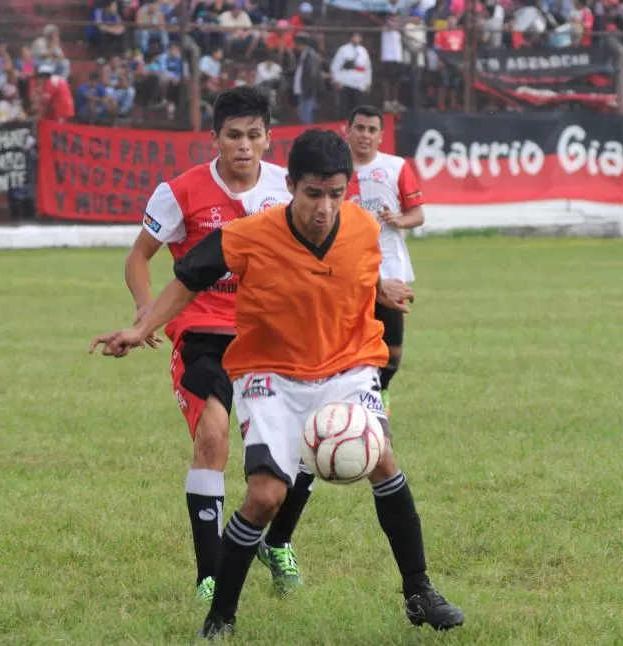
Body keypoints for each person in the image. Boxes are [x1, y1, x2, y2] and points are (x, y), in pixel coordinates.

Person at [90, 129, 465, 639]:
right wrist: (141, 327)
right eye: (313, 193)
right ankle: (221, 615)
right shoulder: (249, 235)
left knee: (383, 459)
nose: (324, 207)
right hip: (270, 376)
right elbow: (187, 280)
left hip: (348, 368)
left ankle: (420, 592)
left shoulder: (360, 227)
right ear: (290, 186)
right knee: (265, 495)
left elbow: (354, 271)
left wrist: (381, 288)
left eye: (336, 194)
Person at [123, 87, 313, 603]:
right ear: (215, 138)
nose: (244, 146)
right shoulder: (180, 191)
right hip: (202, 331)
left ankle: (277, 543)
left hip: (272, 333)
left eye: (254, 135)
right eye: (234, 136)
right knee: (212, 437)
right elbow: (139, 258)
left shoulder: (289, 190)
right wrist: (146, 310)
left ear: (269, 139)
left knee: (308, 446)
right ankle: (210, 576)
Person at [345, 105, 425, 415]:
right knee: (350, 337)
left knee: (392, 346)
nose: (365, 135)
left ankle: (384, 387)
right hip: (348, 269)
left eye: (371, 130)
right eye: (360, 128)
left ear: (381, 136)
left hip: (389, 267)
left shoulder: (395, 167)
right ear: (348, 131)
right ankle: (356, 397)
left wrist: (398, 220)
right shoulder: (335, 168)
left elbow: (418, 214)